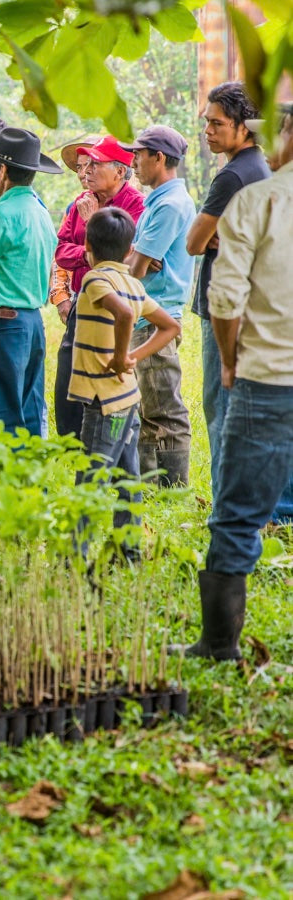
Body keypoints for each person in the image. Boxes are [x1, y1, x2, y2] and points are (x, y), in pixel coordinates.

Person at [180, 104, 293, 660]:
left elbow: (223, 300)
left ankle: (218, 643)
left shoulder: (255, 200)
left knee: (237, 511)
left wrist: (228, 359)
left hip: (266, 376)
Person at [69, 207, 180, 564]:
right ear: (130, 248)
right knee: (127, 477)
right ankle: (128, 551)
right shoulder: (133, 283)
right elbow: (170, 327)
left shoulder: (94, 279)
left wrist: (121, 356)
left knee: (91, 477)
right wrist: (135, 355)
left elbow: (125, 314)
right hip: (128, 397)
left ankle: (75, 554)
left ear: (87, 244)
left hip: (105, 400)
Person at [185, 82, 271, 497]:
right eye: (207, 123)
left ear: (245, 127)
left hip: (225, 306)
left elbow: (194, 243)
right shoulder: (266, 168)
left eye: (217, 124)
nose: (208, 131)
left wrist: (219, 237)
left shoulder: (233, 174)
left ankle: (225, 505)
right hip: (260, 304)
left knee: (220, 408)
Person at [0, 127, 60, 435]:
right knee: (30, 407)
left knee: (2, 410)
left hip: (4, 323)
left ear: (1, 170)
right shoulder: (40, 212)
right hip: (33, 322)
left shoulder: (1, 214)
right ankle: (34, 482)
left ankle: (6, 480)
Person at [119, 126, 197, 486]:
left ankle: (170, 489)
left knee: (163, 407)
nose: (133, 163)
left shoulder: (168, 205)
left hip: (156, 316)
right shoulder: (157, 201)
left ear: (159, 158)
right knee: (148, 406)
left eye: (138, 155)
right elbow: (135, 260)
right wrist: (135, 257)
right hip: (145, 315)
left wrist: (134, 259)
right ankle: (151, 487)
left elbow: (134, 268)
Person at [53, 135, 102, 437]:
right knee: (67, 371)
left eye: (90, 166)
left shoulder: (130, 204)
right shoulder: (76, 206)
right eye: (81, 167)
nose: (84, 174)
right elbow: (61, 251)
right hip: (78, 297)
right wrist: (86, 254)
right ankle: (70, 443)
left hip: (108, 299)